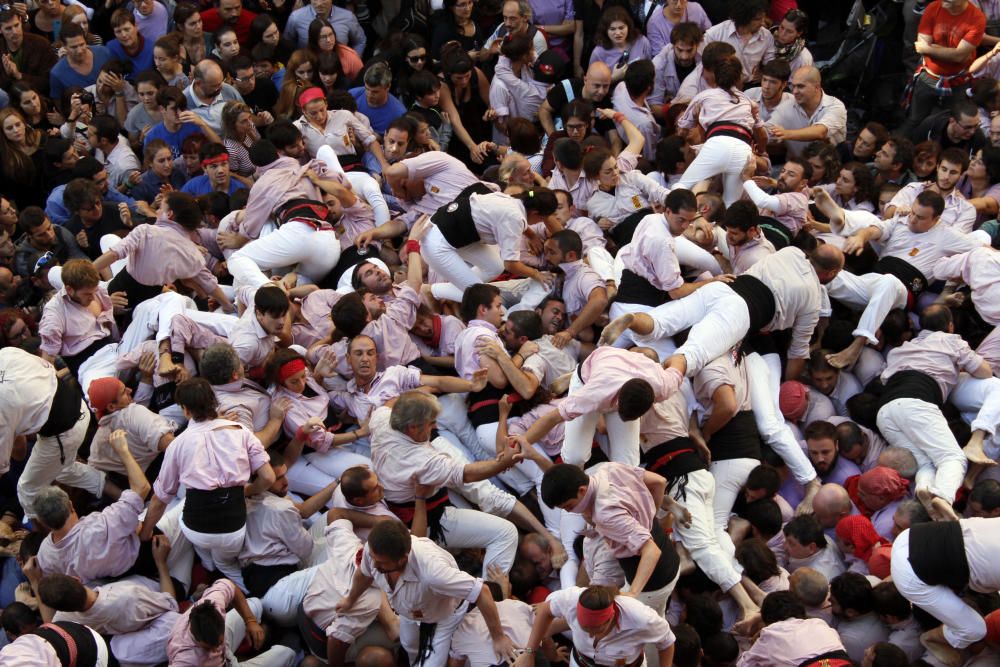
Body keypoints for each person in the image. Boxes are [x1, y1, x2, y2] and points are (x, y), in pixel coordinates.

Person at [140, 378, 276, 585]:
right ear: (215, 402)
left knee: (189, 515)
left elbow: (160, 500)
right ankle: (235, 579)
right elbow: (268, 477)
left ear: (186, 410)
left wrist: (146, 533)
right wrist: (248, 490)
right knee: (226, 562)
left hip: (197, 530)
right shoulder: (241, 431)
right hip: (234, 528)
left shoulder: (178, 445)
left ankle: (208, 562)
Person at [337, 518, 520, 667]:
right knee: (408, 644)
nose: (375, 565)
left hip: (445, 616)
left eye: (382, 563)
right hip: (410, 613)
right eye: (374, 559)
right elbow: (364, 574)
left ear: (402, 559)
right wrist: (349, 599)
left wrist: (498, 637)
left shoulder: (434, 572)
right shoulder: (375, 550)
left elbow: (482, 591)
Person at [512, 585, 676, 667]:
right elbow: (545, 611)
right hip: (580, 661)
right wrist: (529, 652)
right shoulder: (570, 599)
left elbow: (667, 642)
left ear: (611, 617)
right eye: (585, 629)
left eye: (597, 629)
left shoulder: (641, 617)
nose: (590, 636)